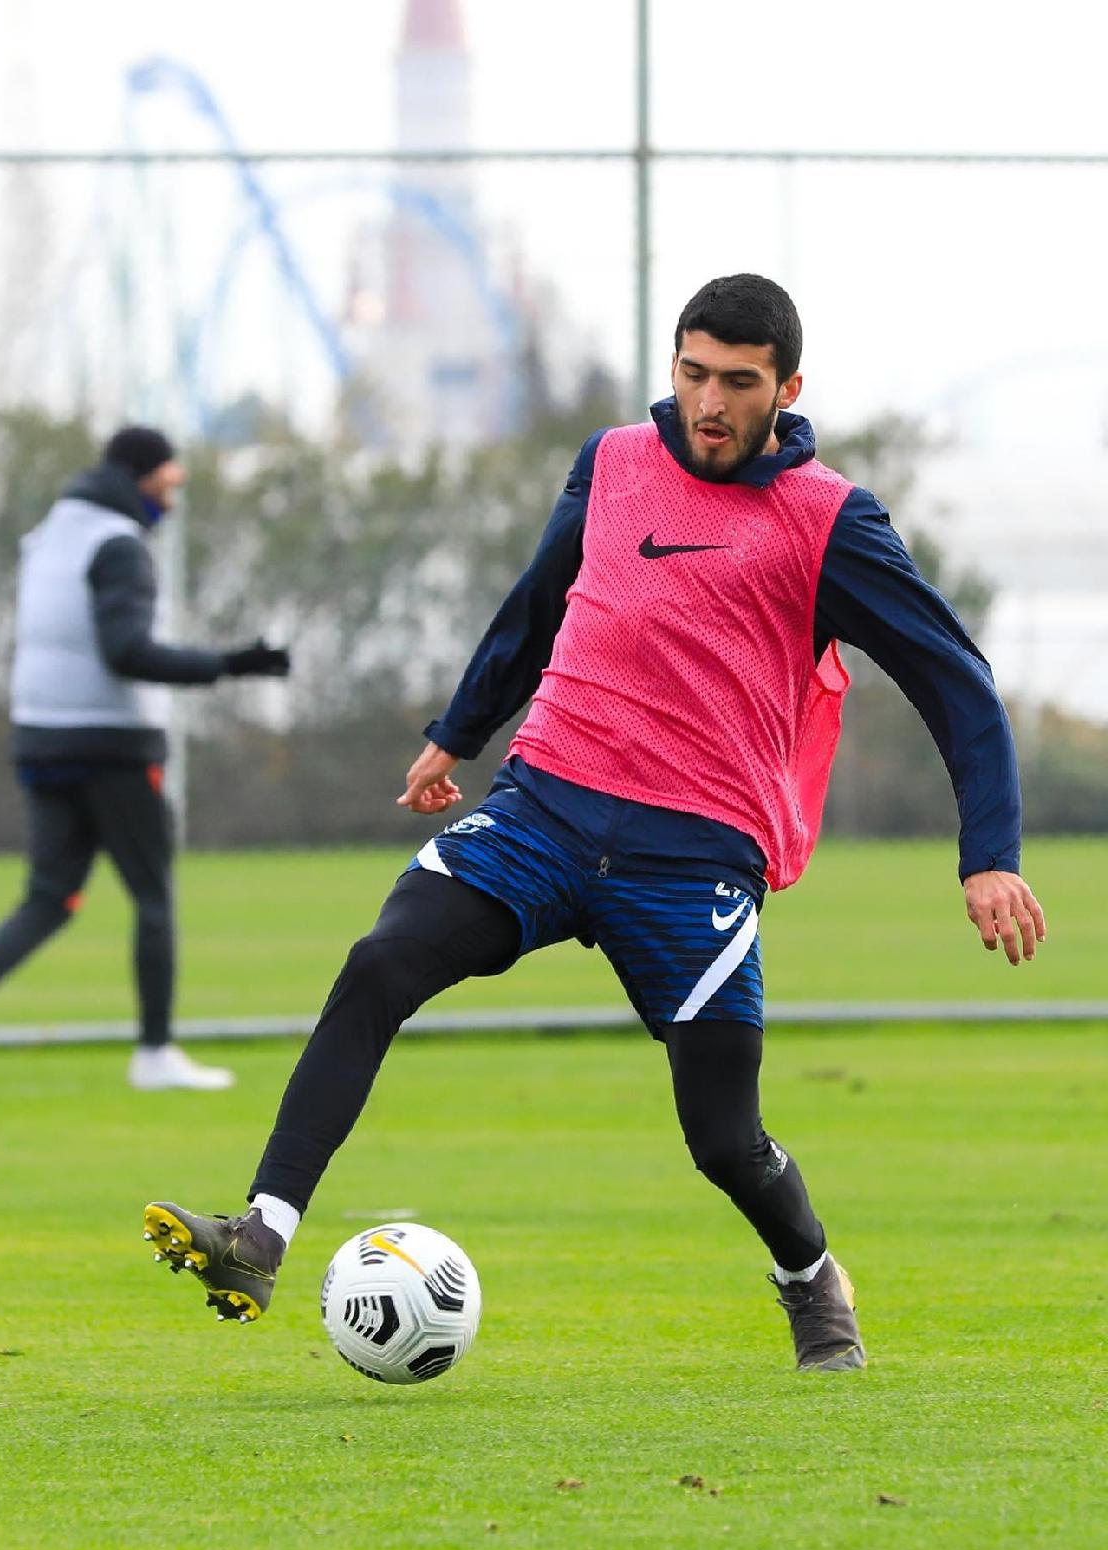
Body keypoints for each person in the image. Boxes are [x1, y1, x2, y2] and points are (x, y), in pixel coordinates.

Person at [142, 276, 1044, 1368]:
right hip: (546, 810)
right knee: (380, 963)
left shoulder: (830, 522)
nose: (709, 402)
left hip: (693, 858)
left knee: (724, 1141)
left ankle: (810, 1275)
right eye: (693, 373)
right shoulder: (614, 462)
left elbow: (956, 682)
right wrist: (458, 732)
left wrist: (989, 857)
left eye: (738, 382)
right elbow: (538, 601)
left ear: (788, 390)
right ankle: (261, 1234)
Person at [0, 425, 291, 1097]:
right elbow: (127, 652)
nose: (173, 498)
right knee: (153, 895)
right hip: (111, 745)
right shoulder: (119, 545)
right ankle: (155, 1053)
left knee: (52, 895)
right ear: (142, 477)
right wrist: (232, 664)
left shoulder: (49, 534)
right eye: (170, 483)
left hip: (40, 739)